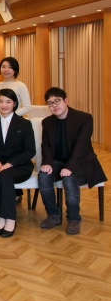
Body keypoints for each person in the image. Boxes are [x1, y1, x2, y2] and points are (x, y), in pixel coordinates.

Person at [38, 87, 107, 235]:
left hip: (81, 162)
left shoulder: (84, 118)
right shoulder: (47, 122)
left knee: (69, 179)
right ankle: (53, 215)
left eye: (57, 101)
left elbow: (82, 145)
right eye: (50, 103)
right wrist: (47, 163)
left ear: (66, 101)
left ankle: (74, 218)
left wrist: (70, 167)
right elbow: (46, 146)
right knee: (43, 176)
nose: (54, 105)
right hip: (58, 161)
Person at [0, 88, 35, 238]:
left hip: (20, 166)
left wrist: (10, 164)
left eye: (8, 102)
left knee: (5, 176)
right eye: (1, 101)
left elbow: (30, 151)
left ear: (14, 104)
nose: (4, 105)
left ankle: (10, 218)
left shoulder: (24, 124)